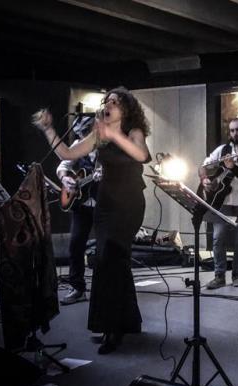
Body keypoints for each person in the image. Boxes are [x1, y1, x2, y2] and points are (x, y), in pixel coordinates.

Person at [33, 87, 152, 355]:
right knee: (111, 262)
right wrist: (48, 130)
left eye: (115, 102)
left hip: (129, 204)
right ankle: (124, 323)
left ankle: (113, 328)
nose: (108, 104)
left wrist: (113, 134)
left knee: (110, 259)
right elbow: (67, 154)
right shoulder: (99, 134)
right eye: (106, 101)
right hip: (105, 204)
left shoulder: (133, 132)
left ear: (126, 109)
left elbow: (141, 156)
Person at [201, 118, 238, 289]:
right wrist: (204, 179)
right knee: (218, 238)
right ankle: (219, 276)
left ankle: (237, 275)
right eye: (232, 130)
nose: (235, 133)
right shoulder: (223, 150)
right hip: (223, 199)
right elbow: (204, 166)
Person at [56, 119, 101, 306]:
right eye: (80, 134)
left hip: (103, 203)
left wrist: (105, 176)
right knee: (75, 245)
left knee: (105, 247)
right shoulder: (78, 145)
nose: (82, 137)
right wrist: (65, 179)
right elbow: (62, 167)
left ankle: (105, 290)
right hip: (81, 204)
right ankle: (77, 288)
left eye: (85, 132)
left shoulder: (107, 145)